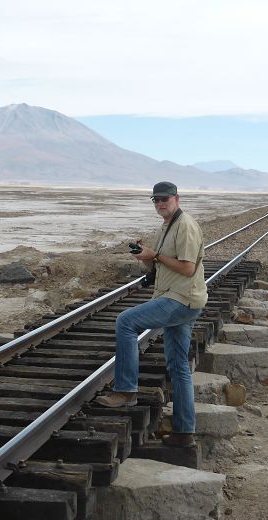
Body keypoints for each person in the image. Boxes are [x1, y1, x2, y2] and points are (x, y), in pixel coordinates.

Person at [96, 181, 207, 448]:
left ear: (176, 199)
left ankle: (126, 391)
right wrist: (145, 256)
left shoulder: (185, 226)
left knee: (125, 321)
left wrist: (155, 255)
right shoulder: (166, 227)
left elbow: (188, 268)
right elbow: (157, 267)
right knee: (178, 365)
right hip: (177, 297)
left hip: (181, 299)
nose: (160, 204)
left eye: (164, 199)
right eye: (155, 200)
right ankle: (184, 433)